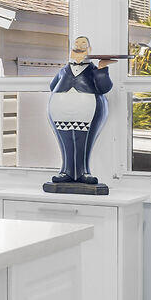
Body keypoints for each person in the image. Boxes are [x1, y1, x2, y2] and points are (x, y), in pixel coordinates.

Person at [46, 37, 115, 189]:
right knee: (65, 142)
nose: (78, 47)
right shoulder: (63, 70)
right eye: (76, 44)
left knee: (83, 141)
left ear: (89, 50)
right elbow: (53, 86)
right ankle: (66, 171)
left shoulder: (93, 71)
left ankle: (84, 171)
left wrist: (102, 69)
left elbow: (104, 87)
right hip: (60, 113)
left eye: (83, 44)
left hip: (87, 113)